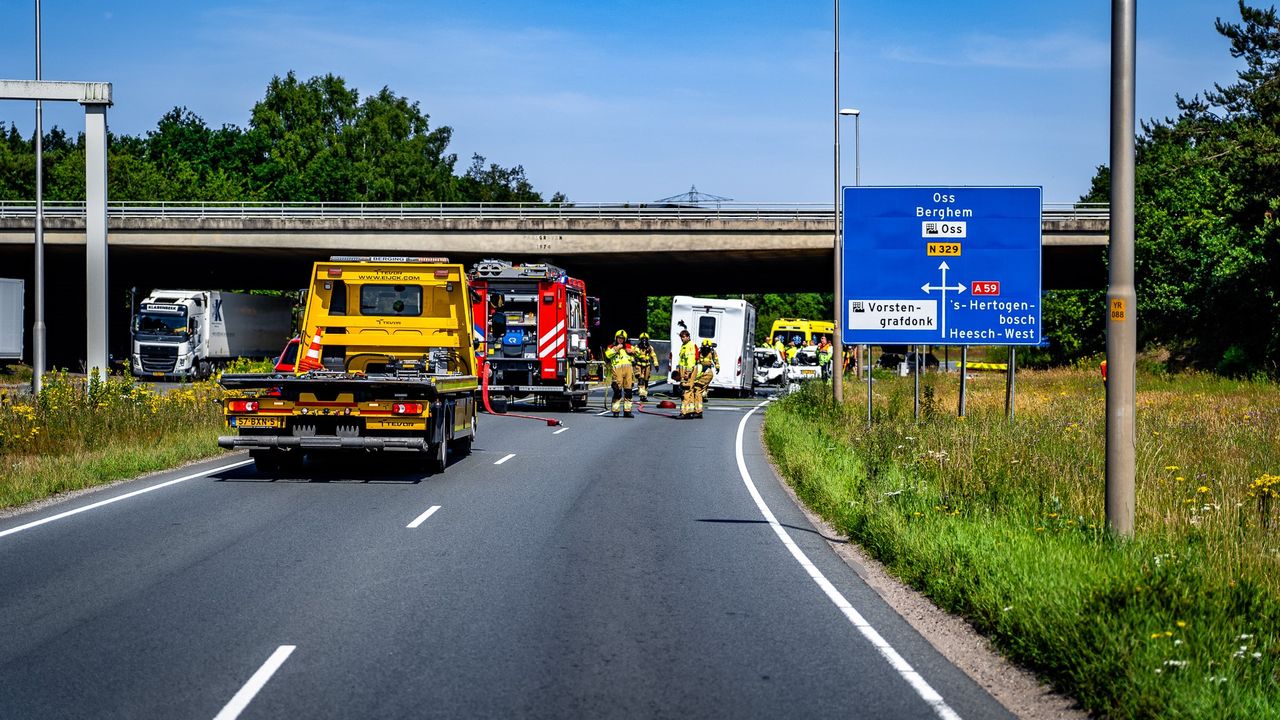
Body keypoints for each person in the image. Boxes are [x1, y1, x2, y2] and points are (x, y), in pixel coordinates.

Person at [604, 329, 636, 417]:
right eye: (619, 338)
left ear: (625, 339)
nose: (620, 340)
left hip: (628, 371)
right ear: (616, 338)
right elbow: (607, 355)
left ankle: (627, 411)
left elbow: (638, 353)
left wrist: (633, 352)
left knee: (628, 391)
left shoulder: (629, 346)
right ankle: (615, 411)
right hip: (617, 371)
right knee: (617, 391)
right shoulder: (611, 347)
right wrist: (616, 348)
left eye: (622, 338)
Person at [687, 338, 719, 419]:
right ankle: (696, 410)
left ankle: (698, 411)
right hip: (700, 369)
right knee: (697, 390)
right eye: (705, 348)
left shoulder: (712, 352)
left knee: (698, 390)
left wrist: (717, 367)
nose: (706, 350)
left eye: (707, 348)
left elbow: (716, 359)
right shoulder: (699, 351)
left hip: (706, 371)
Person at [675, 329, 697, 417]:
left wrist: (688, 373)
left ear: (688, 337)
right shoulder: (684, 345)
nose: (682, 339)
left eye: (684, 337)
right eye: (681, 337)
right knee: (689, 391)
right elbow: (682, 361)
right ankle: (690, 411)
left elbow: (690, 361)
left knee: (685, 391)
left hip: (688, 371)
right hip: (684, 371)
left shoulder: (689, 346)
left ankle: (684, 412)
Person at [632, 332, 659, 401]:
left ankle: (645, 395)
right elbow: (632, 355)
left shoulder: (650, 348)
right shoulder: (636, 347)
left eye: (645, 339)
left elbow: (653, 356)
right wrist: (633, 361)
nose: (644, 340)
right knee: (640, 380)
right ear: (640, 340)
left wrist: (656, 364)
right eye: (642, 339)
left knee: (646, 381)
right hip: (639, 365)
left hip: (647, 365)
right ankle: (642, 394)